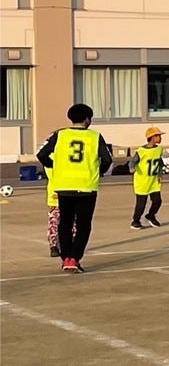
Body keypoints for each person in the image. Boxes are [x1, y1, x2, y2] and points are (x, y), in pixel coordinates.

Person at [36, 104, 113, 273]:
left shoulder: (60, 135)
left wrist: (54, 166)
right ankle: (75, 258)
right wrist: (98, 171)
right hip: (86, 186)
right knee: (83, 225)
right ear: (87, 119)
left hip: (64, 185)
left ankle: (66, 258)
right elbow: (107, 159)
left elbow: (41, 154)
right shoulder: (95, 136)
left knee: (65, 223)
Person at [130, 126, 166, 229]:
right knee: (141, 204)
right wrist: (132, 168)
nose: (160, 138)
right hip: (142, 181)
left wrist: (160, 174)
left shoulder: (159, 149)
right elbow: (133, 161)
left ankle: (150, 215)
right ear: (152, 137)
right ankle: (135, 221)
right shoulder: (141, 151)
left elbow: (159, 163)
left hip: (153, 181)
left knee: (157, 201)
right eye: (158, 136)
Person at [44, 166, 74, 258]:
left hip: (64, 192)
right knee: (55, 222)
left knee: (59, 221)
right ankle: (54, 246)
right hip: (59, 193)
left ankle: (64, 245)